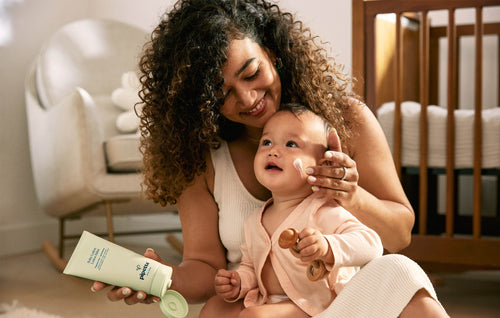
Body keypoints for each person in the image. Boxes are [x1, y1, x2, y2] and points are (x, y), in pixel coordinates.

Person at [91, 0, 449, 317]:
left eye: (252, 73)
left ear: (273, 52)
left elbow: (400, 234)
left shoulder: (345, 120)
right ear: (201, 102)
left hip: (340, 297)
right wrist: (159, 278)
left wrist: (351, 196)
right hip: (264, 304)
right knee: (218, 309)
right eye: (223, 93)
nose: (248, 99)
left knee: (400, 274)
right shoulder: (200, 156)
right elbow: (205, 267)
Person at [214, 104, 384, 317]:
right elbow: (250, 265)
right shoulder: (254, 220)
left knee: (253, 316)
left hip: (322, 306)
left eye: (291, 144)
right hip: (276, 303)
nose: (273, 150)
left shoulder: (321, 210)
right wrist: (239, 282)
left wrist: (328, 247)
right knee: (214, 309)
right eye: (266, 142)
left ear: (321, 165)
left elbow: (372, 244)